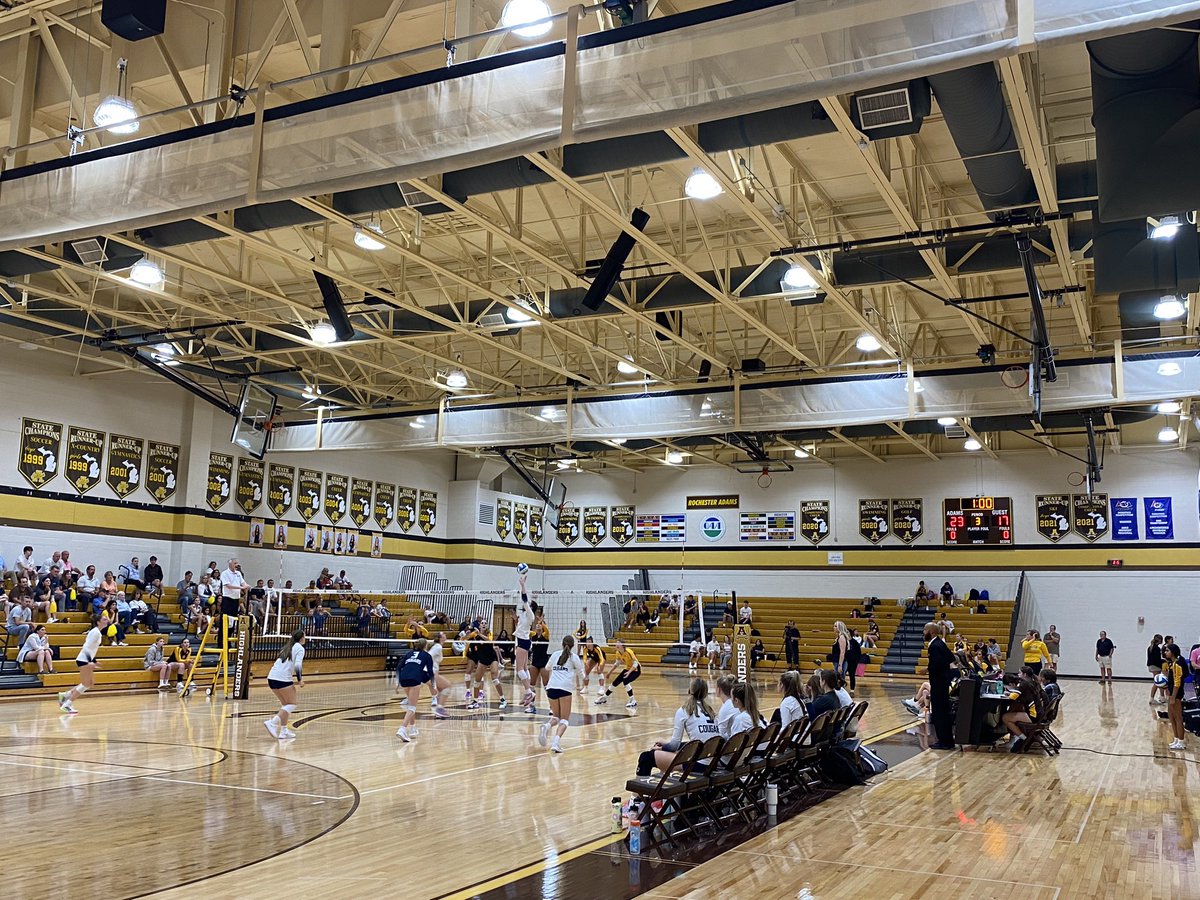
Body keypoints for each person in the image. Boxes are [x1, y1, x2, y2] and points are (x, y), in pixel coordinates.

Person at [634, 678, 720, 775]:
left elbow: (673, 746)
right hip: (712, 762)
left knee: (646, 757)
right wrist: (666, 744)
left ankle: (640, 789)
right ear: (705, 693)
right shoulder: (711, 711)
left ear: (689, 691)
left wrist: (663, 748)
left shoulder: (684, 711)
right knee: (678, 749)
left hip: (697, 765)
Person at [539, 635, 583, 753]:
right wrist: (583, 684)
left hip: (551, 687)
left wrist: (557, 668)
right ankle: (555, 743)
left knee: (556, 716)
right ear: (573, 646)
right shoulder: (574, 657)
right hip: (565, 688)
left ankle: (547, 726)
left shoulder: (555, 654)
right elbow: (581, 672)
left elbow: (547, 668)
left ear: (562, 644)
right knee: (564, 720)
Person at [59, 613, 108, 714]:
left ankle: (66, 694)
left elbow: (91, 649)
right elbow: (86, 647)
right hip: (84, 660)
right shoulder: (96, 633)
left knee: (89, 683)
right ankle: (67, 704)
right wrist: (90, 661)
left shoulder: (96, 632)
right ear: (98, 622)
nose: (106, 620)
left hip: (85, 659)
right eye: (104, 619)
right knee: (86, 684)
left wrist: (94, 661)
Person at [264, 629, 306, 740]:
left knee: (285, 705)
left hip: (271, 677)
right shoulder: (300, 648)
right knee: (292, 704)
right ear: (301, 638)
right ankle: (272, 722)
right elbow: (298, 665)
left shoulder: (287, 647)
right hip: (282, 679)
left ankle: (284, 731)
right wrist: (299, 680)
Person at [395, 638, 438, 742]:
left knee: (410, 704)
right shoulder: (427, 656)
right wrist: (433, 684)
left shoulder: (409, 653)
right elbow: (430, 672)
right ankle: (402, 729)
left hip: (403, 678)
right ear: (425, 646)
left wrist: (397, 683)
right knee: (412, 708)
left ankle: (413, 729)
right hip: (414, 678)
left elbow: (398, 668)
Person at [925, 621, 955, 749]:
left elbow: (937, 664)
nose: (923, 633)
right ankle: (947, 740)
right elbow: (950, 657)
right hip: (943, 683)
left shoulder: (935, 645)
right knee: (943, 712)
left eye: (925, 630)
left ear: (931, 632)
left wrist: (929, 669)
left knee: (939, 713)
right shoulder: (940, 643)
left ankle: (944, 742)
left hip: (938, 683)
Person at [512, 572, 537, 712]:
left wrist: (523, 585)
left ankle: (529, 692)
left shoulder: (530, 614)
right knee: (525, 669)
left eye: (529, 604)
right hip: (524, 640)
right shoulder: (524, 615)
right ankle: (528, 692)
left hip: (523, 642)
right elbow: (523, 601)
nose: (527, 604)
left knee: (519, 669)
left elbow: (525, 599)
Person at [1163, 643, 1190, 751]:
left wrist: (1173, 697)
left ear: (1173, 652)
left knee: (1178, 718)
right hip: (1171, 693)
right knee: (1171, 716)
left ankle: (1181, 741)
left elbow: (1177, 683)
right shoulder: (1171, 663)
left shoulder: (1178, 664)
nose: (1165, 653)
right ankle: (1176, 739)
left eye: (1167, 651)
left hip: (1176, 694)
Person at [599, 639, 640, 707]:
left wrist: (629, 672)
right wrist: (610, 671)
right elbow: (617, 663)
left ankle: (632, 700)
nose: (616, 645)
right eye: (616, 643)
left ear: (623, 646)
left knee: (626, 681)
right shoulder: (618, 652)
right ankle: (604, 697)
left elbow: (635, 664)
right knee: (615, 682)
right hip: (627, 669)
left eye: (618, 643)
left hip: (636, 670)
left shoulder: (629, 652)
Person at [219, 559, 248, 644]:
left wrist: (247, 586)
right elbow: (228, 585)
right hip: (227, 600)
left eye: (237, 563)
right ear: (230, 564)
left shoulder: (238, 573)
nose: (236, 565)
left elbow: (243, 583)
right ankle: (221, 643)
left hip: (236, 600)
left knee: (233, 622)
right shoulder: (225, 573)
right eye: (235, 563)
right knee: (226, 621)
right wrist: (241, 588)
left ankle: (228, 642)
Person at [528, 610, 551, 714]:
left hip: (544, 662)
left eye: (540, 625)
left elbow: (546, 630)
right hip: (535, 661)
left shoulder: (546, 635)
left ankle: (552, 707)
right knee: (531, 685)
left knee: (546, 685)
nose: (538, 625)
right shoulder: (532, 634)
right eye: (536, 624)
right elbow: (523, 631)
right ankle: (531, 706)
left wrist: (542, 622)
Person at [1148, 634, 1165, 704]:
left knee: (1159, 682)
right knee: (1157, 683)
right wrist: (1164, 661)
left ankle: (1162, 697)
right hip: (1155, 666)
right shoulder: (1156, 648)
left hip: (1152, 666)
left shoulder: (1150, 647)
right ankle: (1152, 698)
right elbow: (1157, 659)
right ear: (1160, 640)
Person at [844, 627, 863, 693]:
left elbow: (859, 653)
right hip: (845, 661)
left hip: (852, 662)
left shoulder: (854, 642)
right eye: (845, 632)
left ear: (850, 633)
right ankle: (841, 688)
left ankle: (852, 690)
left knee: (852, 676)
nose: (846, 633)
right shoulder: (843, 641)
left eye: (847, 632)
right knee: (842, 675)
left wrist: (856, 661)